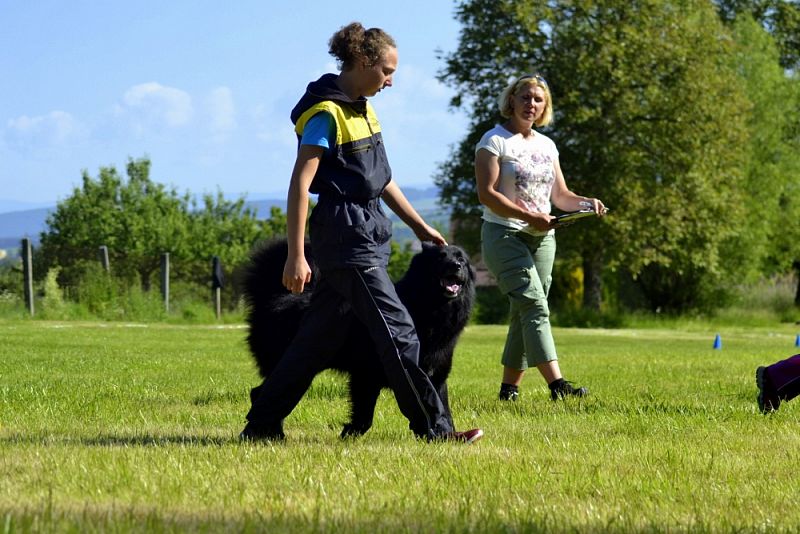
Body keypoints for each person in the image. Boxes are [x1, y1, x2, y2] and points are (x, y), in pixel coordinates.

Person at [241, 22, 482, 444]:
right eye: (387, 71)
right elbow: (301, 183)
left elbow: (381, 180)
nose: (391, 80)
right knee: (399, 331)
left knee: (315, 342)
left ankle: (261, 425)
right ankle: (435, 429)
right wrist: (296, 255)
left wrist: (419, 224)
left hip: (366, 235)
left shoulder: (362, 108)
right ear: (363, 62)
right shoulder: (326, 114)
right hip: (346, 239)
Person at [474, 73, 606, 403]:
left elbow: (560, 196)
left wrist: (587, 204)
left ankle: (509, 389)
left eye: (538, 99)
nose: (531, 104)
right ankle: (557, 385)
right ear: (511, 101)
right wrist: (530, 216)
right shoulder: (493, 141)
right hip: (504, 235)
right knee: (534, 304)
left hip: (543, 239)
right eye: (525, 97)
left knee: (526, 309)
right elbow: (487, 195)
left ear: (544, 106)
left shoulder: (547, 145)